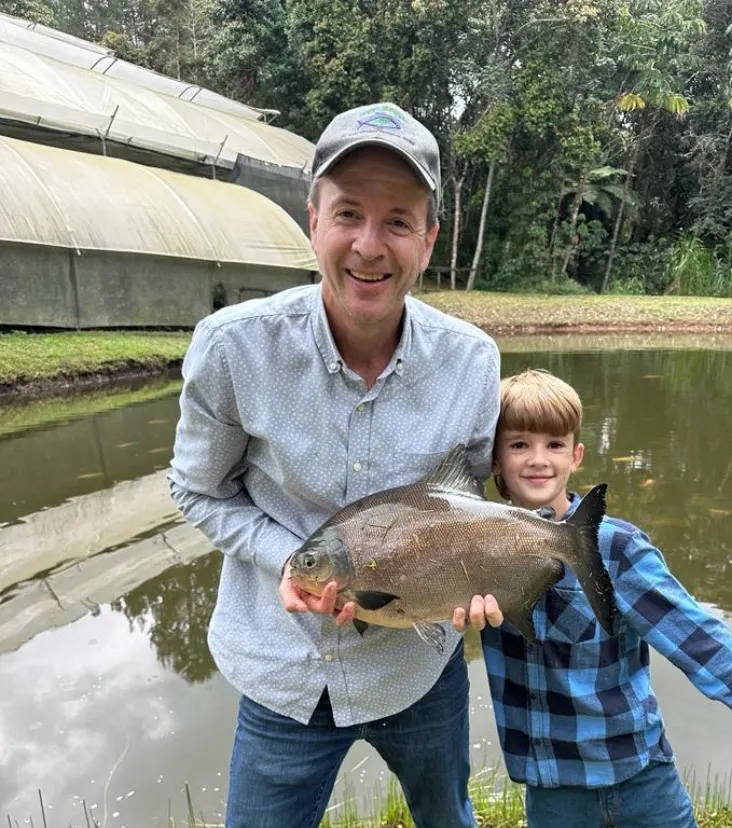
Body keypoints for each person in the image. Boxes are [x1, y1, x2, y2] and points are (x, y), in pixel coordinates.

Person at [168, 102, 503, 827]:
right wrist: (294, 558)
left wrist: (482, 576)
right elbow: (196, 491)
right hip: (280, 669)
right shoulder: (233, 348)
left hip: (419, 668)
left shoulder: (474, 362)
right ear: (312, 219)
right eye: (348, 213)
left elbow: (463, 507)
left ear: (429, 237)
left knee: (451, 818)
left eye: (398, 221)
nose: (368, 246)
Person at [479, 369, 732, 828]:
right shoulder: (473, 551)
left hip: (643, 782)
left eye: (555, 444)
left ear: (576, 455)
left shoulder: (617, 551)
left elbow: (704, 644)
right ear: (494, 461)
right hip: (553, 794)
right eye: (519, 444)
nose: (538, 459)